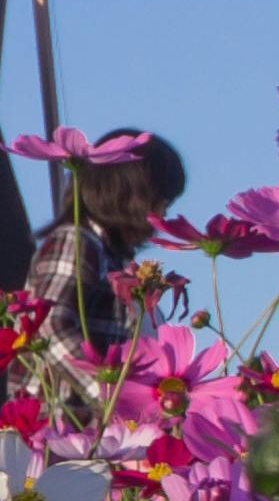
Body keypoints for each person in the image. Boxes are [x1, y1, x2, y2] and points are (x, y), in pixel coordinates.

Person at [24, 131, 185, 361]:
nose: (165, 213)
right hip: (71, 396)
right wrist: (104, 389)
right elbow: (49, 327)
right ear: (129, 194)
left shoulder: (114, 259)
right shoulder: (76, 242)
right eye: (162, 200)